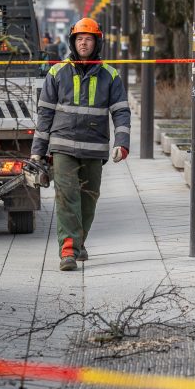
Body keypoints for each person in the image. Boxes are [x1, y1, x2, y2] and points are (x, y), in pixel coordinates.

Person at [31, 18, 130, 271]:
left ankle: (78, 241)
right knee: (66, 197)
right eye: (79, 38)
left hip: (94, 148)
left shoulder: (110, 75)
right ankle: (68, 250)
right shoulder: (57, 72)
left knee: (89, 199)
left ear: (97, 42)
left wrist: (122, 142)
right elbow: (44, 116)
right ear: (72, 42)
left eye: (88, 39)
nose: (83, 43)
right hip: (62, 146)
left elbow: (121, 111)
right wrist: (37, 154)